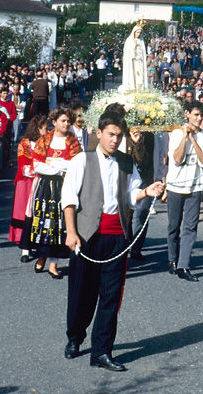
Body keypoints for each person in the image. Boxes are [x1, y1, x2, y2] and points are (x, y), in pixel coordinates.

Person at [61, 114, 164, 371]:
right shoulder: (82, 160)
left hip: (117, 237)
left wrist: (145, 192)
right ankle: (75, 336)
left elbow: (131, 194)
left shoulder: (126, 162)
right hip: (86, 237)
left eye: (119, 135)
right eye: (110, 134)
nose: (115, 140)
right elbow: (69, 198)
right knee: (81, 294)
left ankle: (101, 351)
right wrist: (71, 232)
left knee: (110, 296)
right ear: (99, 133)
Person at [29, 107, 82, 279]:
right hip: (45, 187)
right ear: (54, 122)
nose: (66, 124)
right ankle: (42, 255)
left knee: (60, 225)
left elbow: (76, 164)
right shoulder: (44, 140)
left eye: (68, 121)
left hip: (64, 186)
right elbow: (37, 164)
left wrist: (54, 164)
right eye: (63, 121)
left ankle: (53, 263)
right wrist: (60, 167)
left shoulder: (73, 142)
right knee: (45, 223)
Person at [165, 100, 203, 281]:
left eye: (201, 115)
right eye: (196, 115)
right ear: (187, 114)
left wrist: (193, 138)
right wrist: (185, 136)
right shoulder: (176, 133)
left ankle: (184, 265)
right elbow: (177, 159)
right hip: (176, 185)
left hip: (195, 186)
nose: (199, 118)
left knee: (190, 226)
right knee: (173, 225)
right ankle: (172, 259)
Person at [10, 115, 48, 261]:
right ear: (37, 129)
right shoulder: (24, 144)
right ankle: (24, 249)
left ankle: (36, 244)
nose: (47, 130)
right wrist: (43, 169)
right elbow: (25, 168)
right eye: (45, 128)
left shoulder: (46, 144)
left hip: (40, 182)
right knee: (23, 214)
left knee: (39, 214)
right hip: (25, 183)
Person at [127, 125, 155, 261]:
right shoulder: (122, 135)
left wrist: (138, 143)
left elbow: (145, 160)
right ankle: (126, 245)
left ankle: (136, 248)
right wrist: (133, 142)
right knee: (126, 215)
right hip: (127, 179)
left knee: (142, 214)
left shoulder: (150, 137)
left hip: (145, 179)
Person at [122, 24, 148, 91]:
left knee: (140, 76)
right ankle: (132, 88)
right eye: (137, 32)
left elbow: (143, 52)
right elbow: (127, 52)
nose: (138, 34)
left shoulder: (141, 41)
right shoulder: (129, 40)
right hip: (132, 61)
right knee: (133, 75)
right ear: (134, 32)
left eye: (140, 33)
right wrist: (134, 46)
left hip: (139, 61)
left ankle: (140, 88)